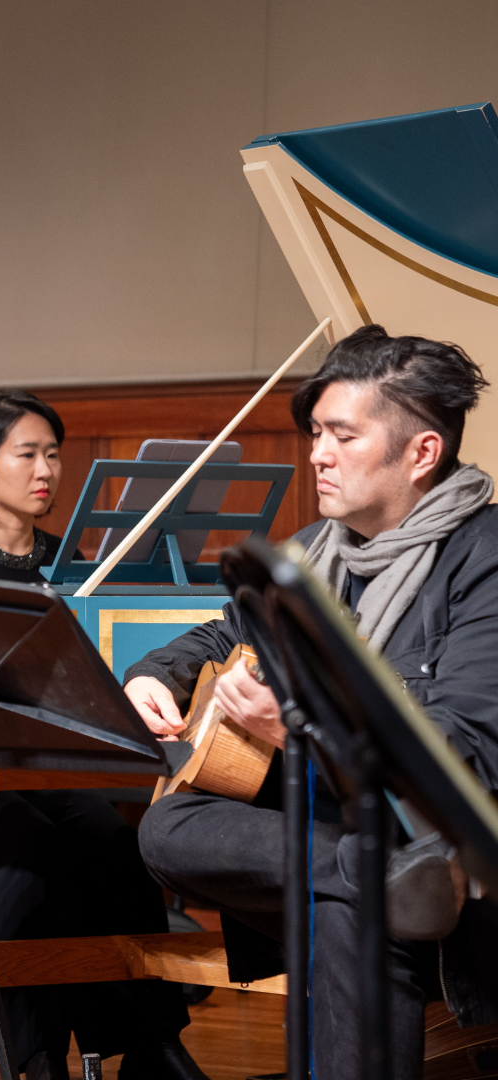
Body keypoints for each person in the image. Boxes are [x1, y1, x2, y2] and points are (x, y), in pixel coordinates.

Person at [127, 325, 498, 1080]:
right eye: (316, 434)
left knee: (348, 910)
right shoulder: (315, 552)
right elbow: (222, 631)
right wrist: (153, 675)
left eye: (342, 435)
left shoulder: (484, 557)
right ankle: (379, 873)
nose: (318, 454)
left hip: (450, 847)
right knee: (168, 826)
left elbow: (466, 756)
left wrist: (300, 732)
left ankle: (375, 876)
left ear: (422, 452)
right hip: (361, 843)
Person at [0, 391, 207, 1080]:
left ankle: (148, 1044)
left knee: (113, 843)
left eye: (53, 455)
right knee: (28, 854)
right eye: (27, 455)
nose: (45, 470)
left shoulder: (72, 564)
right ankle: (36, 1056)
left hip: (50, 765)